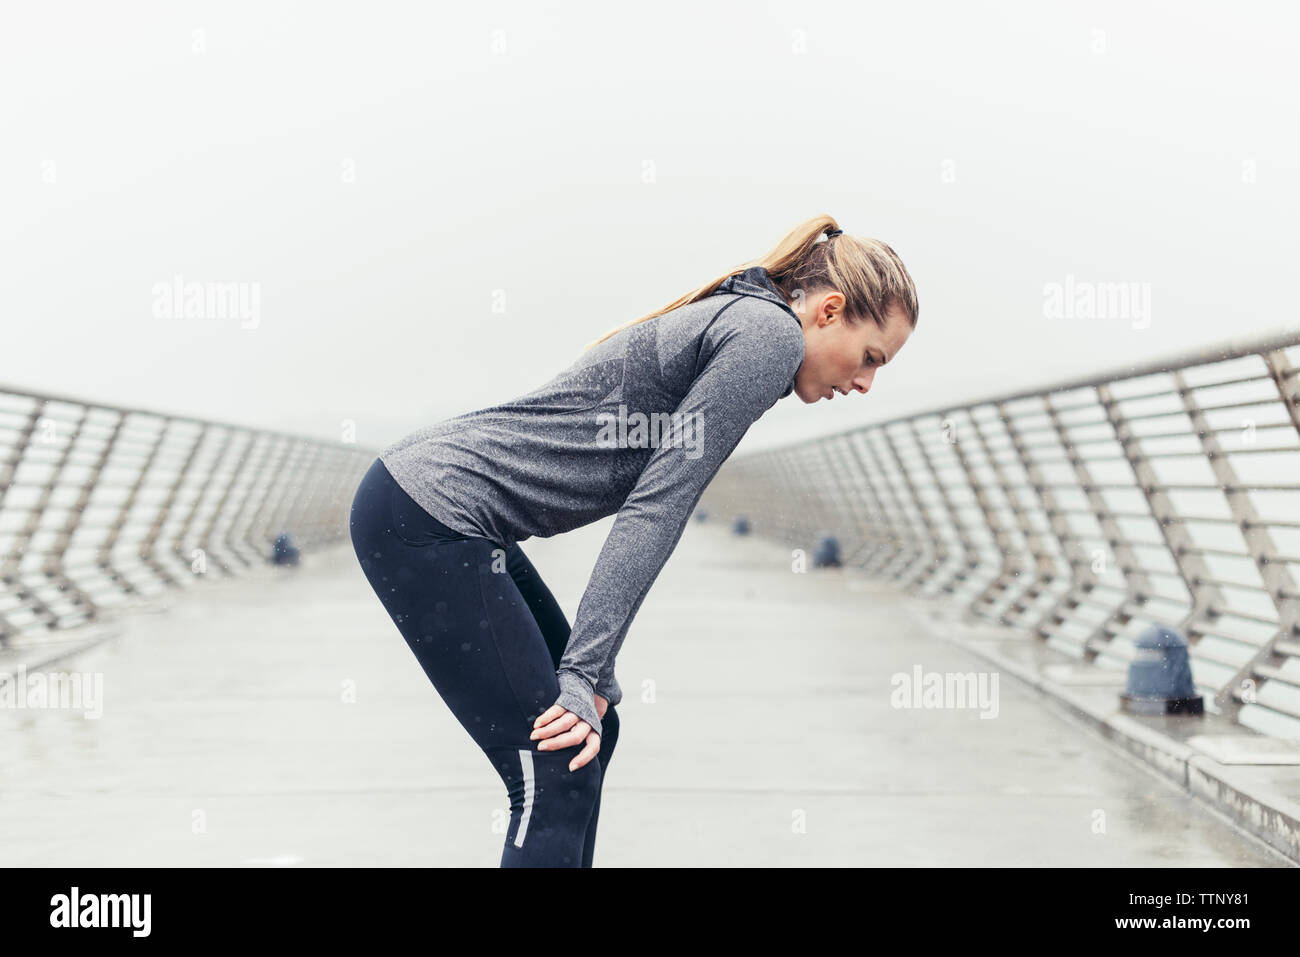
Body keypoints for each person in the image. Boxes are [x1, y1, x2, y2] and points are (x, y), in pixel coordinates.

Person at [348, 214, 919, 866]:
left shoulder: (747, 315)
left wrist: (590, 677)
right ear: (830, 310)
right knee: (559, 758)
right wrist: (585, 670)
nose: (867, 382)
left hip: (434, 505)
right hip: (430, 514)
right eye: (871, 356)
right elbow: (657, 504)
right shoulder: (768, 338)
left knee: (593, 732)